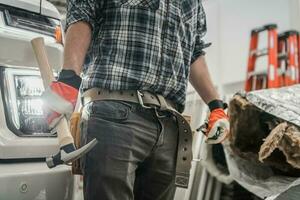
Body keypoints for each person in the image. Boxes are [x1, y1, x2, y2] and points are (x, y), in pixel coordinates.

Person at [43, 0, 229, 199]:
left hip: (170, 124)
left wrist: (216, 105)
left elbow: (194, 52)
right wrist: (69, 79)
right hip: (115, 116)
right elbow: (82, 14)